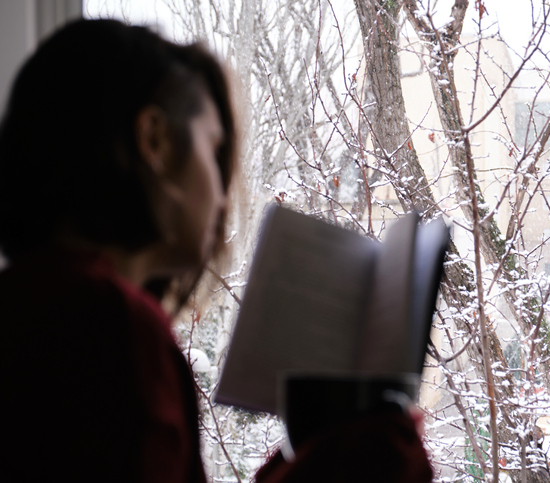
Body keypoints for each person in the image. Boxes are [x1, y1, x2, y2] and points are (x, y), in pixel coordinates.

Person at [0, 19, 432, 482]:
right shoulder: (112, 328)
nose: (224, 198)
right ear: (155, 140)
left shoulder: (27, 308)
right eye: (213, 148)